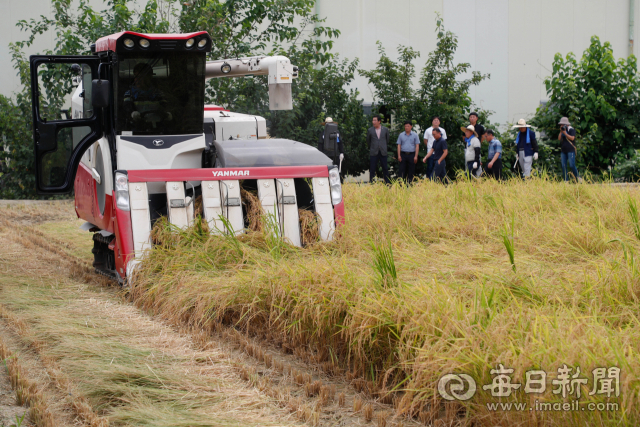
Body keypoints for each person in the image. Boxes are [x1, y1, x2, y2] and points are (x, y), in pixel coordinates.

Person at [366, 115, 391, 184]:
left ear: (379, 121)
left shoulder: (385, 129)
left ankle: (387, 183)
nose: (373, 122)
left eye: (375, 120)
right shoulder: (370, 130)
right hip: (374, 152)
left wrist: (383, 146)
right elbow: (368, 141)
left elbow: (387, 139)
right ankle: (372, 183)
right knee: (372, 169)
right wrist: (373, 147)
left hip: (383, 151)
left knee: (385, 168)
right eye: (373, 120)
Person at [558, 117, 579, 182]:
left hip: (570, 149)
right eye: (561, 125)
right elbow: (559, 139)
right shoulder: (562, 130)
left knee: (571, 165)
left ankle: (577, 177)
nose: (562, 126)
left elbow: (572, 138)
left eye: (563, 124)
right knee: (563, 165)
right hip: (563, 150)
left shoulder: (571, 130)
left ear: (567, 124)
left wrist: (565, 133)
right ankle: (565, 180)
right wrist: (561, 132)